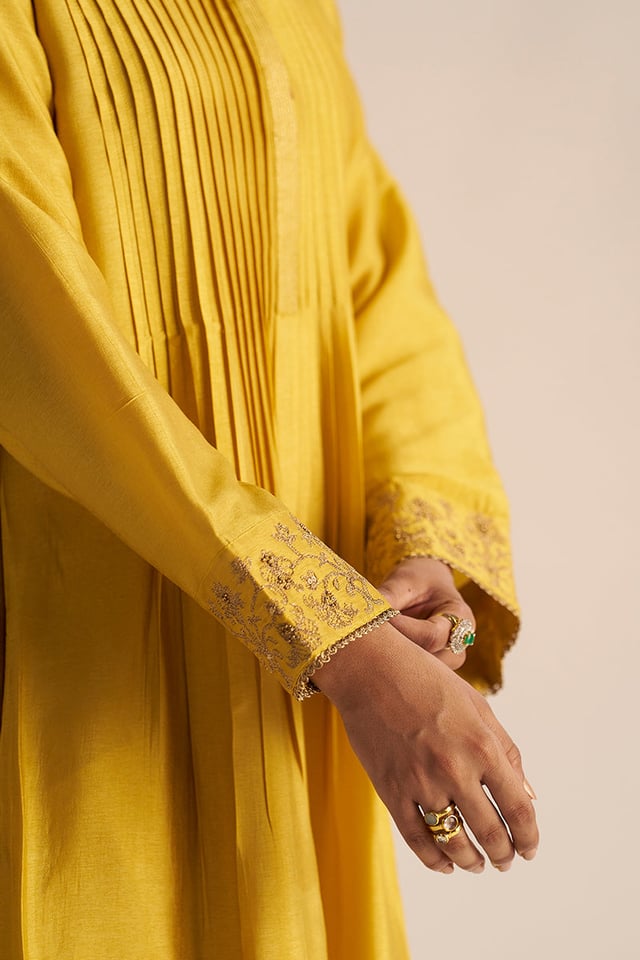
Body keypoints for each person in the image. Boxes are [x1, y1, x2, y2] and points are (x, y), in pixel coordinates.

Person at [0, 1, 538, 958]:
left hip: (311, 685)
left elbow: (377, 285)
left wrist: (413, 562)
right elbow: (38, 331)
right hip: (78, 644)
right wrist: (338, 639)